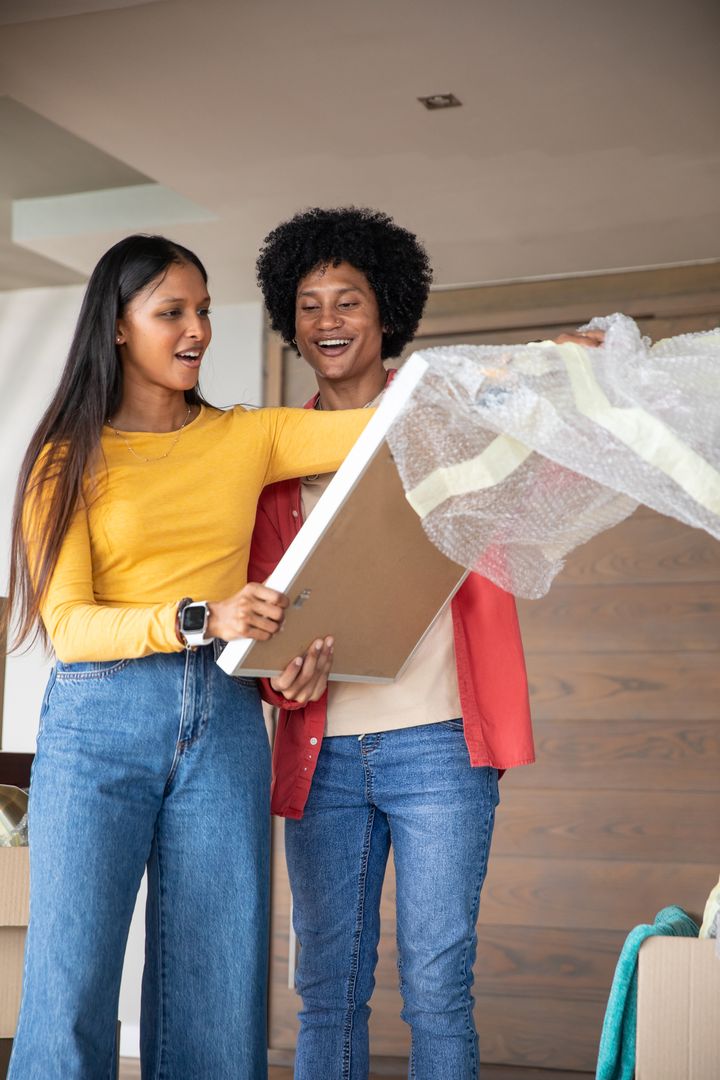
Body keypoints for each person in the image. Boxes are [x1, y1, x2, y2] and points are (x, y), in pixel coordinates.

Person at [4, 233, 371, 1080]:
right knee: (70, 986)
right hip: (99, 721)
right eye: (172, 312)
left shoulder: (246, 438)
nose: (197, 328)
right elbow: (70, 625)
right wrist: (201, 616)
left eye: (203, 309)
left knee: (217, 987)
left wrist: (533, 367)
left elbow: (389, 426)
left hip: (225, 723)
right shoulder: (66, 459)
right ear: (120, 328)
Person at [249, 206, 604, 1080]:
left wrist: (568, 381)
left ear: (387, 311)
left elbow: (548, 463)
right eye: (309, 304)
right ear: (289, 321)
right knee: (326, 990)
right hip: (325, 754)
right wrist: (279, 684)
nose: (327, 321)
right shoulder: (272, 458)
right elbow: (260, 620)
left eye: (349, 301)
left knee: (438, 987)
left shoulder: (449, 417)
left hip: (444, 745)